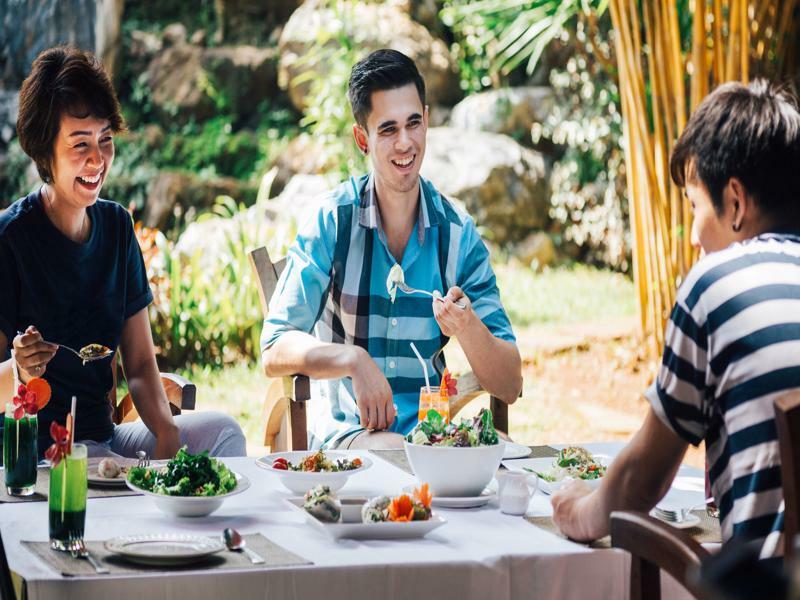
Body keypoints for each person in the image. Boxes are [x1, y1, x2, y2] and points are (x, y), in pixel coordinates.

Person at [551, 80, 800, 559]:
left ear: (735, 202)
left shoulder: (718, 286)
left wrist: (576, 512)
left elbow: (642, 481)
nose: (691, 236)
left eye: (694, 206)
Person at [262, 49, 522, 449]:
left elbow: (509, 382)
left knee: (504, 453)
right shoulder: (334, 221)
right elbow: (275, 345)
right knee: (392, 451)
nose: (405, 143)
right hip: (347, 437)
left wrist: (467, 327)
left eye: (413, 123)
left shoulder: (457, 235)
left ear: (427, 122)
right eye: (388, 129)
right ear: (362, 139)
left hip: (431, 437)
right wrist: (352, 360)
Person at [0, 46, 246, 459]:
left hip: (106, 439)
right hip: (35, 454)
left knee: (224, 433)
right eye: (80, 144)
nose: (98, 159)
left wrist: (167, 434)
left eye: (105, 139)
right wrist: (20, 369)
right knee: (98, 464)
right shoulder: (10, 238)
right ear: (45, 152)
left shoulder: (116, 228)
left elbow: (140, 366)